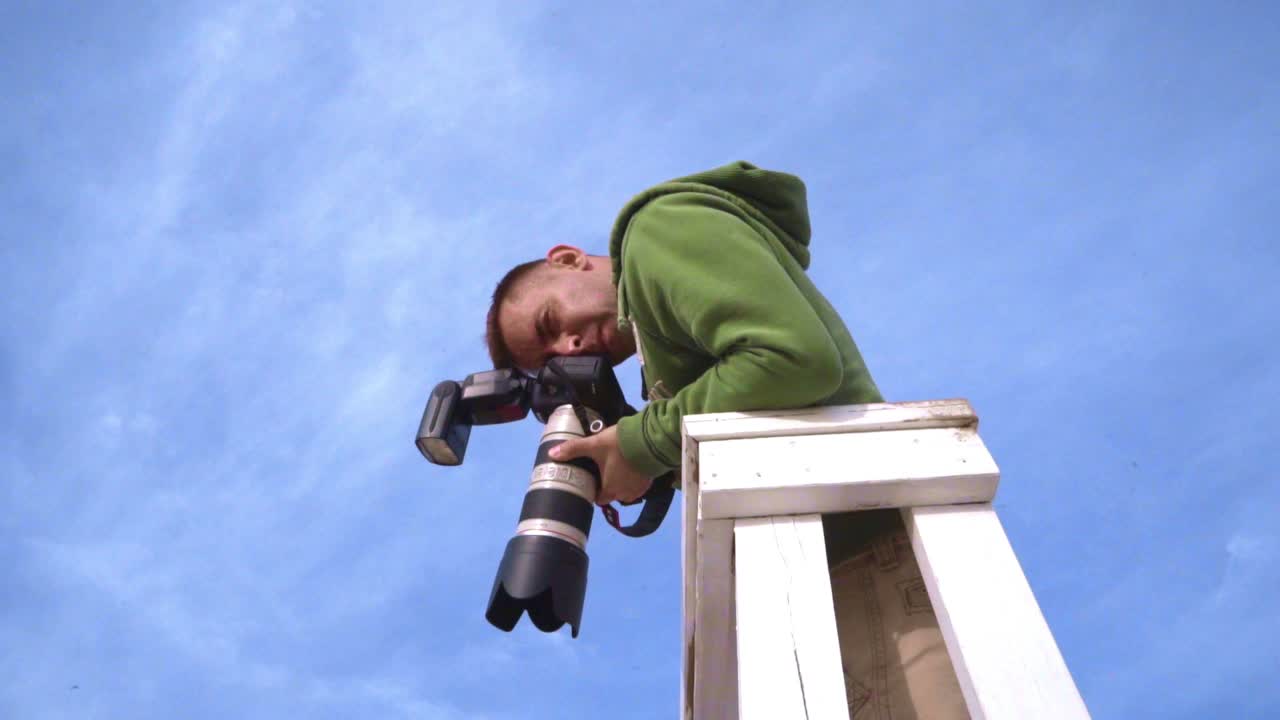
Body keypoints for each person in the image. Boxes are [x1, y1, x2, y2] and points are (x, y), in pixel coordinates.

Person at [484, 161, 968, 717]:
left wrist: (643, 441)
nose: (568, 347)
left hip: (859, 557)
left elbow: (793, 360)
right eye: (551, 356)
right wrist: (648, 463)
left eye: (550, 322)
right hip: (822, 575)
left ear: (567, 258)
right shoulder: (657, 344)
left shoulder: (655, 232)